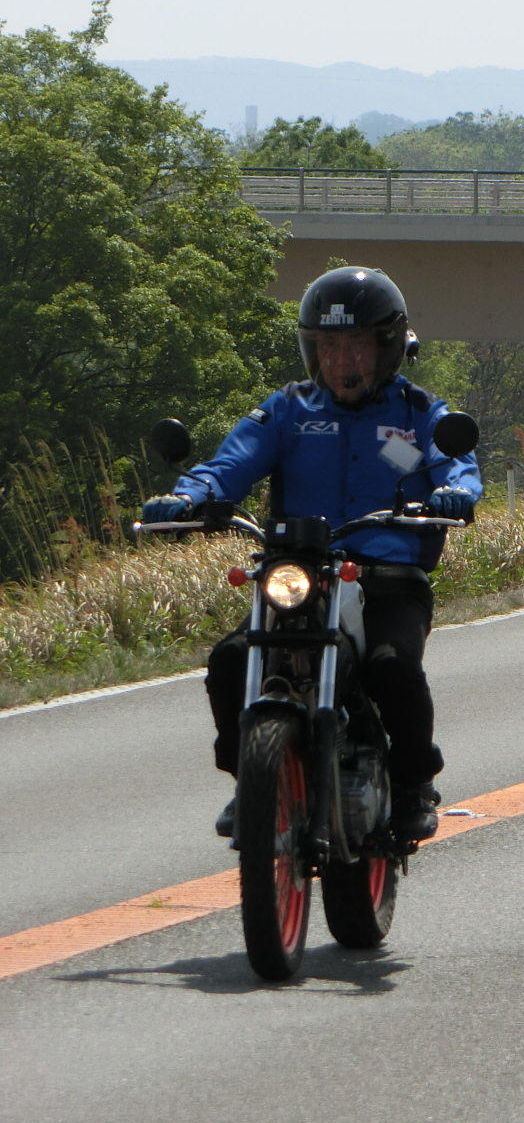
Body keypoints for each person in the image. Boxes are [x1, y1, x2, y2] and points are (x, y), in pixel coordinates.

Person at [142, 267, 481, 842]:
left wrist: (456, 493)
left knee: (391, 667)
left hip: (387, 575)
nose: (342, 360)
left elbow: (457, 465)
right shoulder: (288, 410)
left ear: (388, 348)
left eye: (356, 345)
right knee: (230, 660)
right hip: (299, 570)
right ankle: (250, 781)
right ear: (311, 349)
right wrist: (187, 497)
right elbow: (231, 464)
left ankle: (413, 784)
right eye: (329, 345)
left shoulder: (420, 412)